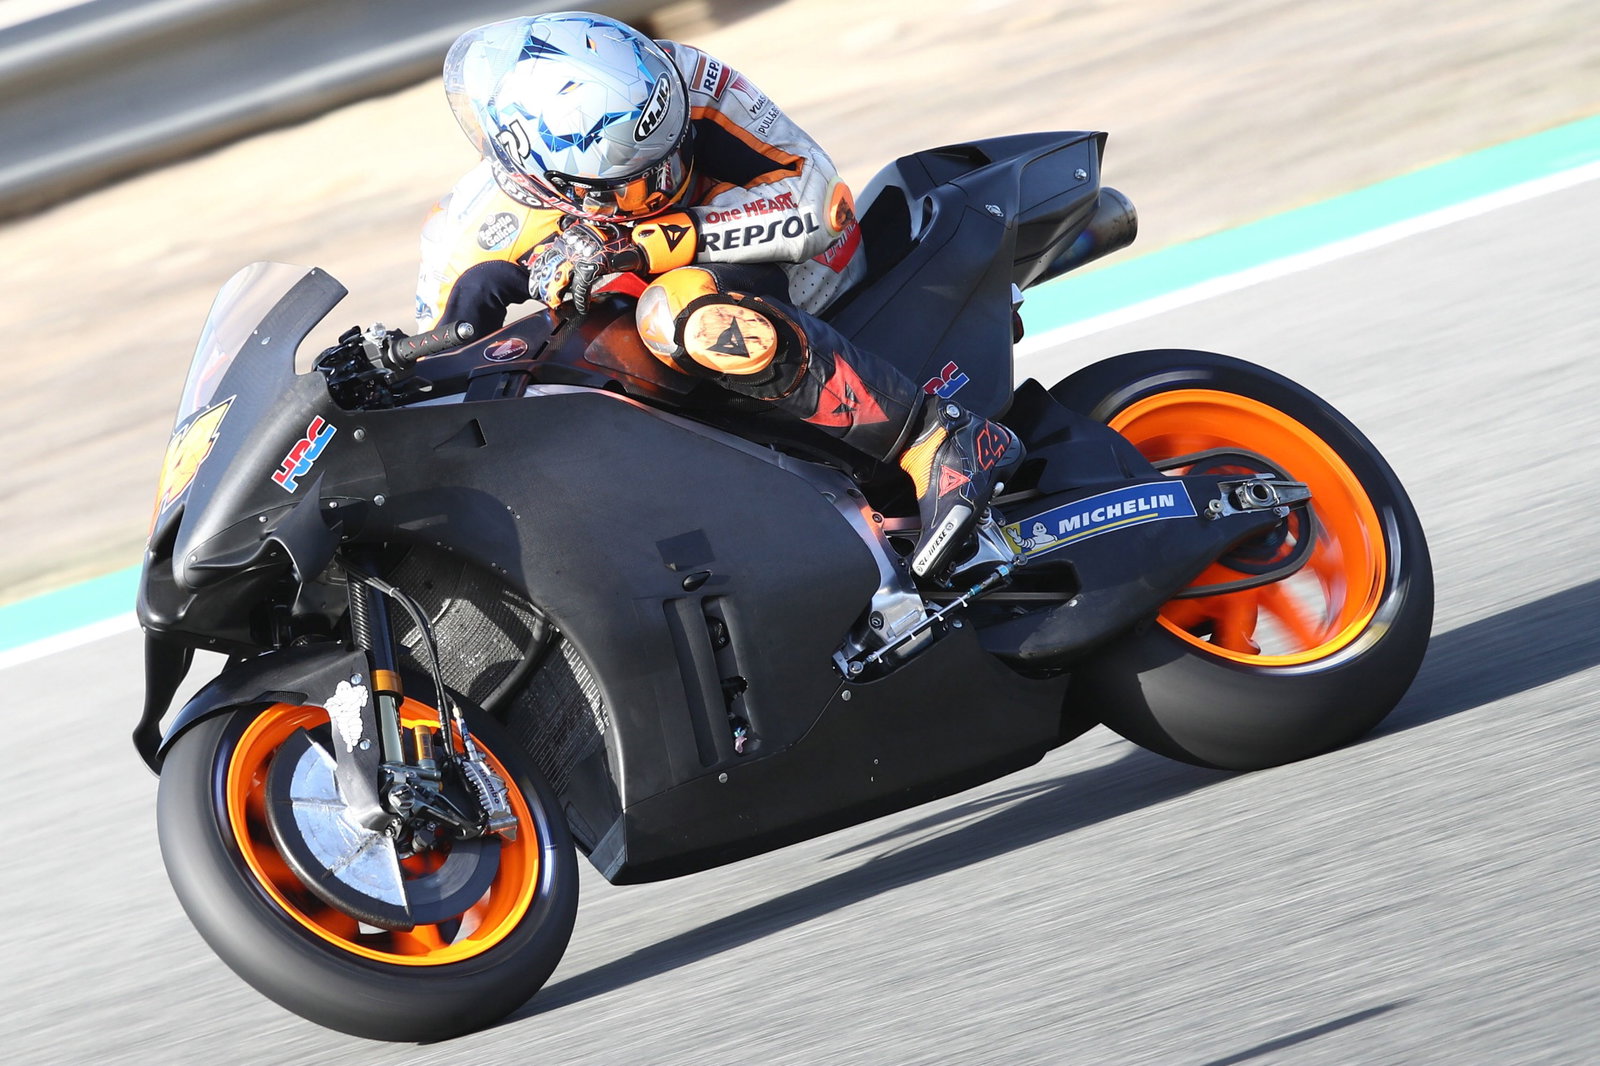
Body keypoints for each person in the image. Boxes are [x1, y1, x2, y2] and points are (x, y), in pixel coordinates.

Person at [415, 11, 1020, 578]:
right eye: (634, 182)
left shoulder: (681, 78)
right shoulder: (472, 228)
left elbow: (820, 200)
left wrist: (647, 243)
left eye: (674, 146)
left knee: (677, 312)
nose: (669, 176)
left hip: (796, 279)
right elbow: (431, 366)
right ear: (539, 178)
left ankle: (937, 437)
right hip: (645, 365)